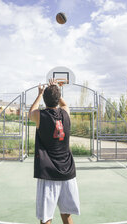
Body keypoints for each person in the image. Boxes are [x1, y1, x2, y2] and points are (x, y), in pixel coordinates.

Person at [29, 79, 80, 224]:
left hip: (48, 173)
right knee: (66, 215)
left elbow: (31, 112)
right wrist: (56, 90)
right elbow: (64, 104)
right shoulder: (66, 113)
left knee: (46, 219)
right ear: (58, 99)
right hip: (67, 172)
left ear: (45, 100)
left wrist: (39, 94)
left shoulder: (40, 115)